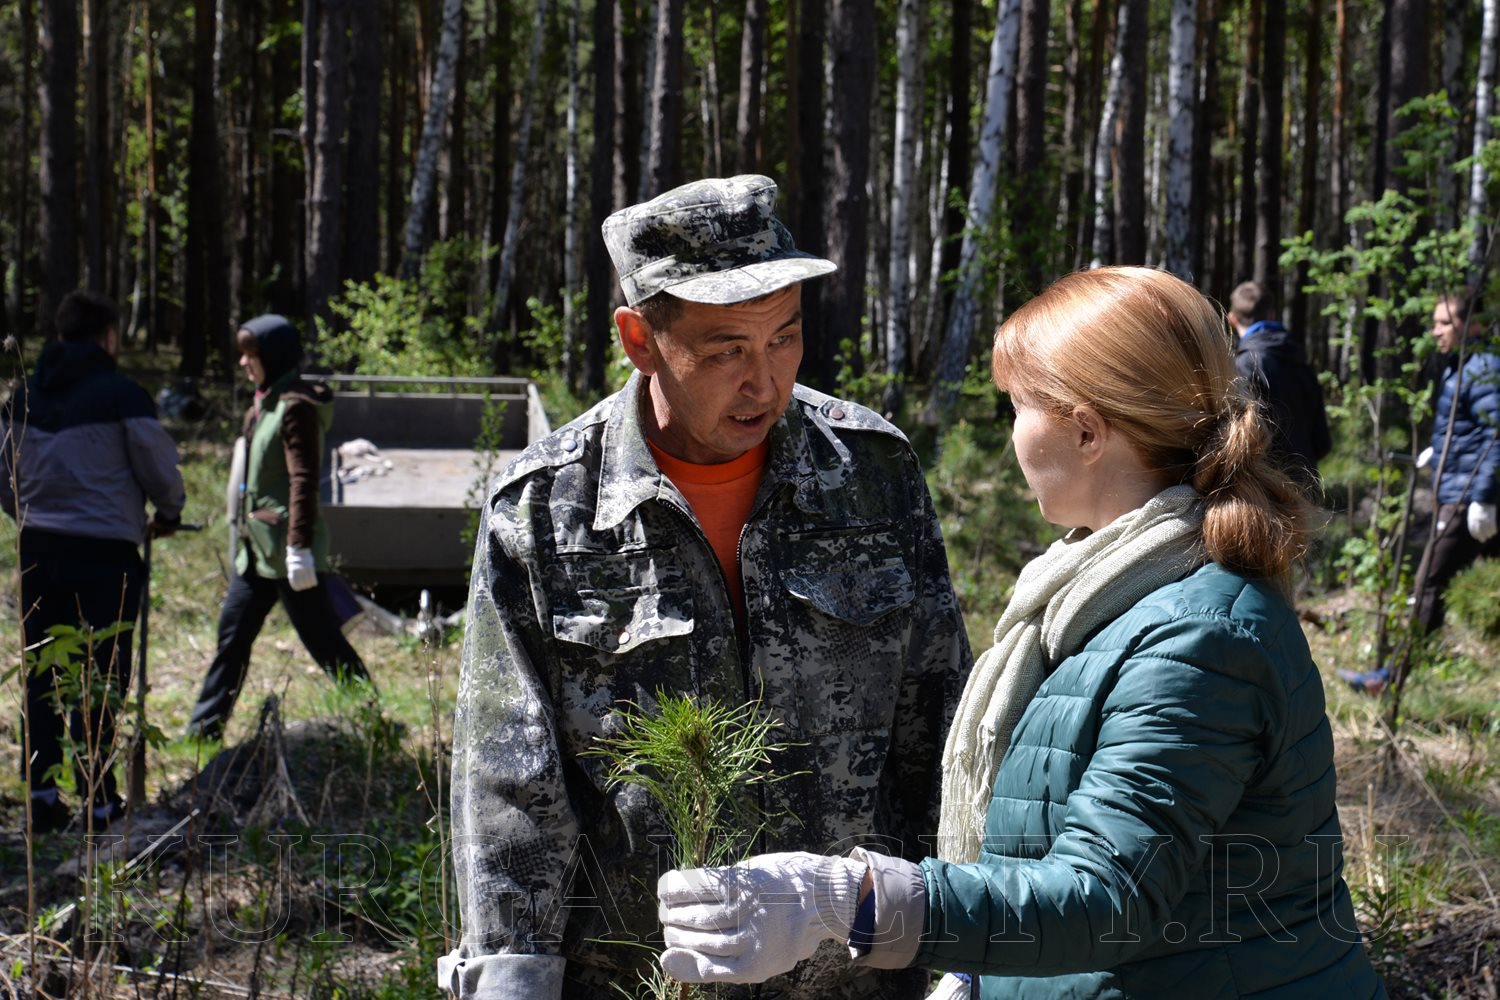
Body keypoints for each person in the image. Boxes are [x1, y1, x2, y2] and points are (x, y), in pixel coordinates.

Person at [656, 267, 1385, 999]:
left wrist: (850, 900)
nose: (1011, 436)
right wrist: (979, 977)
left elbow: (1105, 897)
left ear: (1086, 431)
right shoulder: (1095, 594)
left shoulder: (1196, 639)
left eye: (1017, 408)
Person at [440, 175, 971, 1000]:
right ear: (639, 339)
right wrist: (513, 979)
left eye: (785, 338)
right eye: (726, 351)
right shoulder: (546, 508)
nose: (765, 382)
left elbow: (941, 725)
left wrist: (965, 946)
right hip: (641, 979)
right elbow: (508, 785)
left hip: (854, 976)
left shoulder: (872, 472)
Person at [1, 290, 186, 832]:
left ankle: (40, 799)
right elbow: (158, 467)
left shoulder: (23, 396)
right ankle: (100, 802)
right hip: (106, 558)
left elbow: (2, 475)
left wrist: (29, 515)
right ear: (109, 338)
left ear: (60, 336)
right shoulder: (122, 395)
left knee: (42, 673)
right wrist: (169, 512)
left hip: (38, 552)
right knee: (102, 674)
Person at [186, 315, 369, 740]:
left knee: (323, 642)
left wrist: (299, 547)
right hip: (256, 553)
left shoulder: (295, 407)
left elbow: (303, 479)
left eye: (251, 355)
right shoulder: (264, 403)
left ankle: (371, 715)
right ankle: (202, 734)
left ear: (273, 356)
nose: (244, 363)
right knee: (232, 638)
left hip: (288, 553)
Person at [1340, 292, 1500, 695]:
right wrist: (1438, 451)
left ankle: (1390, 682)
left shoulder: (1484, 368)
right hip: (1460, 486)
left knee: (1429, 582)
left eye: (1445, 322)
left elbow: (1495, 434)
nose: (1435, 331)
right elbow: (1468, 429)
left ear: (1474, 324)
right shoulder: (1461, 365)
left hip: (1467, 495)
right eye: (1434, 322)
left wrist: (1484, 497)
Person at [1228, 280, 1331, 485]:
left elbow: (1239, 442)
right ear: (1272, 315)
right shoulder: (1299, 360)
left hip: (1264, 490)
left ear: (1232, 319)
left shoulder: (1243, 366)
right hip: (1306, 488)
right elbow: (1322, 443)